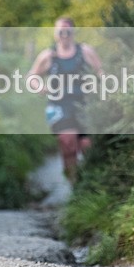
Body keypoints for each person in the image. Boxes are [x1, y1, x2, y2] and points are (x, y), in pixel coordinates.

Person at [28, 18, 102, 185]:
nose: (64, 35)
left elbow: (101, 72)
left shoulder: (85, 52)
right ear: (55, 34)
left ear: (73, 33)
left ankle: (90, 184)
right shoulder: (49, 55)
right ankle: (74, 186)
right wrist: (40, 87)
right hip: (59, 105)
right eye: (60, 32)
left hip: (84, 104)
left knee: (87, 146)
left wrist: (101, 87)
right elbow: (32, 76)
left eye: (68, 31)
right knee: (68, 143)